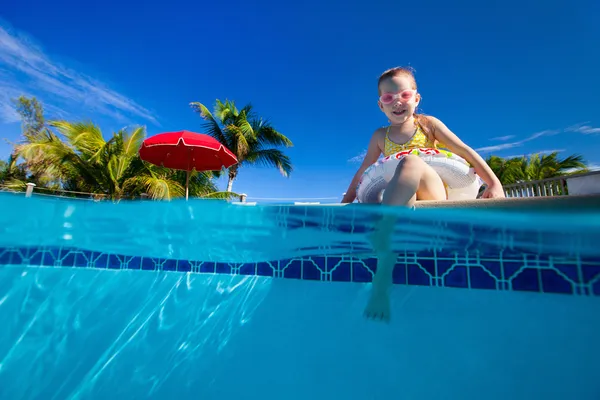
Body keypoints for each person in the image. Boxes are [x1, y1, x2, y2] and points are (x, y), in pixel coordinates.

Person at [341, 66, 505, 322]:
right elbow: (364, 171)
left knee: (411, 163)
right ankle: (383, 275)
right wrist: (344, 203)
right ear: (380, 105)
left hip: (434, 190)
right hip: (402, 198)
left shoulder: (428, 124)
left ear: (416, 99)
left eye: (404, 95)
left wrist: (494, 183)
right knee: (400, 176)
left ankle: (383, 243)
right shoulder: (379, 136)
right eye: (388, 97)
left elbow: (464, 151)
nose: (397, 101)